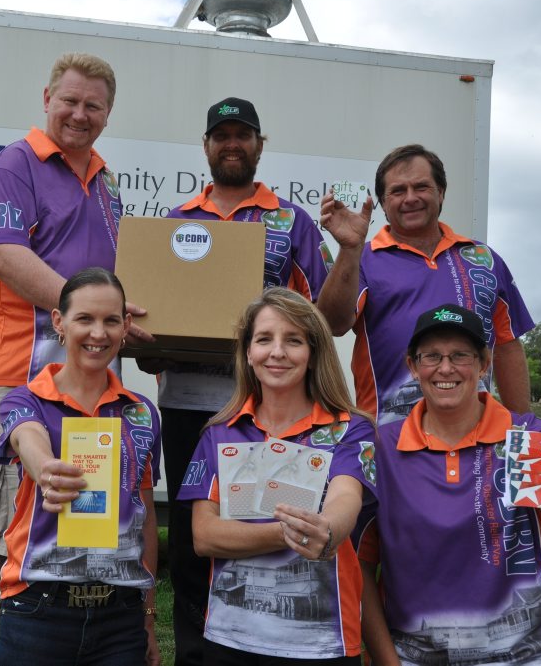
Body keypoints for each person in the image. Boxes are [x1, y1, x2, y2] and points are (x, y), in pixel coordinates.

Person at [0, 52, 149, 666]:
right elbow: (3, 254)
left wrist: (124, 320)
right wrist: (91, 310)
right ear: (46, 98)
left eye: (93, 105)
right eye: (70, 100)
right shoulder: (17, 164)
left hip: (90, 386)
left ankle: (61, 642)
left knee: (75, 517)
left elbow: (115, 281)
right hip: (19, 376)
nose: (79, 113)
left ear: (107, 115)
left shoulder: (106, 182)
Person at [153, 97, 340, 666]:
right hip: (188, 406)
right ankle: (198, 653)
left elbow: (328, 318)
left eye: (243, 135)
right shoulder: (175, 221)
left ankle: (271, 645)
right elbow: (153, 324)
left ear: (260, 144)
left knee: (269, 516)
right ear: (206, 146)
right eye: (221, 135)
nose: (231, 144)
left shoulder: (291, 221)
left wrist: (351, 249)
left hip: (271, 405)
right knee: (191, 540)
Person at [357, 304, 541, 665]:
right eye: (432, 355)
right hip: (415, 656)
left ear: (483, 364)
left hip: (534, 654)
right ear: (413, 367)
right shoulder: (382, 448)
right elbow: (360, 568)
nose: (445, 368)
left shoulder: (523, 435)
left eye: (460, 355)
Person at [177, 287, 377, 665]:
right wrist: (295, 532)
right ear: (248, 353)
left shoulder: (352, 430)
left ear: (314, 353)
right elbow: (204, 536)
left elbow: (345, 501)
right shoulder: (220, 432)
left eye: (294, 340)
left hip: (323, 645)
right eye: (264, 339)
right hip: (230, 642)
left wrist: (328, 530)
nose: (278, 352)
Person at [0, 268, 162, 666]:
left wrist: (148, 618)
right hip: (38, 610)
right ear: (59, 322)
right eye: (84, 319)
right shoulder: (25, 400)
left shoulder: (141, 413)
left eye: (110, 320)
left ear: (126, 326)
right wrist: (46, 468)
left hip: (121, 617)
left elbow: (146, 516)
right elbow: (26, 438)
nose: (98, 334)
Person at [318, 144, 534, 425]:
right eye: (397, 191)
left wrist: (525, 429)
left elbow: (507, 347)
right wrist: (349, 249)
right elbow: (332, 324)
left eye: (421, 187)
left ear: (441, 192)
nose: (410, 198)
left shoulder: (484, 260)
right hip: (388, 441)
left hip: (475, 440)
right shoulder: (362, 259)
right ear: (383, 202)